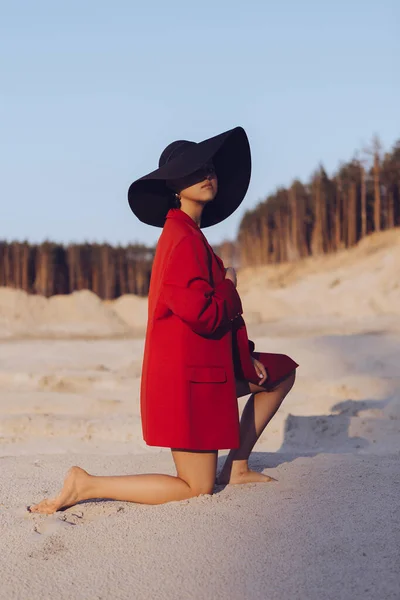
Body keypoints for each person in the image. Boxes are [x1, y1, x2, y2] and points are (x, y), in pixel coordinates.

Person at [28, 126, 298, 515]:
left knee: (279, 371)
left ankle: (237, 467)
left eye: (209, 168)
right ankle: (86, 484)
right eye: (194, 171)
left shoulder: (190, 234)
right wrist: (229, 286)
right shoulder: (182, 238)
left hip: (209, 370)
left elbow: (215, 321)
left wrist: (246, 355)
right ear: (175, 186)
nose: (207, 175)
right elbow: (204, 314)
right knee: (196, 487)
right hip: (187, 381)